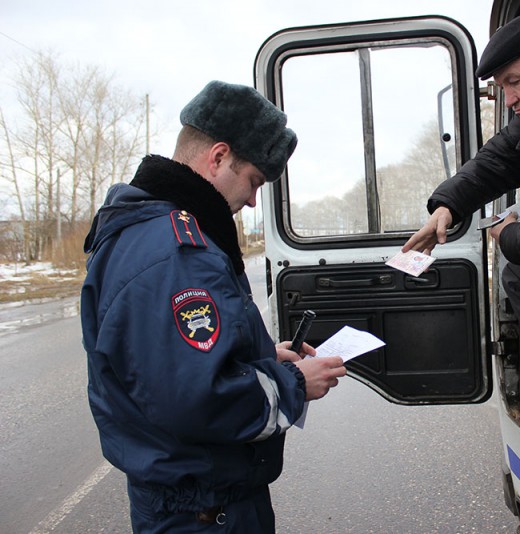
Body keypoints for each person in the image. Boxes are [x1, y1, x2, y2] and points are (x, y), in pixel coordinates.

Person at [80, 80, 347, 533]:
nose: (252, 199)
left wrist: (263, 360)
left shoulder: (148, 230)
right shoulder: (178, 253)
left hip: (191, 501)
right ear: (219, 157)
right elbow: (198, 400)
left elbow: (173, 369)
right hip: (205, 513)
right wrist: (294, 384)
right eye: (253, 181)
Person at [403, 11, 520, 417]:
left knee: (517, 274)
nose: (510, 99)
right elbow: (497, 159)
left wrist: (510, 235)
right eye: (502, 88)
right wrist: (447, 205)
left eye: (515, 82)